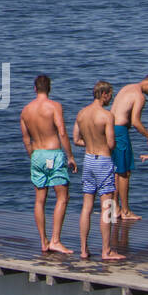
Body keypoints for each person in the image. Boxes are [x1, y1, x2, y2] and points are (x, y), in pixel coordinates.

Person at [20, 74, 77, 254]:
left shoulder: (25, 110)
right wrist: (70, 156)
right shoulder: (54, 106)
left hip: (36, 155)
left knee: (39, 200)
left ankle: (43, 241)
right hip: (53, 153)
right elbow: (61, 132)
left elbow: (26, 138)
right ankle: (55, 240)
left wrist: (33, 156)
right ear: (49, 88)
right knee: (62, 197)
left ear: (35, 88)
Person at [74, 82, 124, 262]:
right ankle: (106, 250)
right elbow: (111, 143)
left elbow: (76, 139)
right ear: (103, 94)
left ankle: (83, 249)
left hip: (88, 160)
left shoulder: (81, 114)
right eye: (110, 95)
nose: (111, 98)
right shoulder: (107, 116)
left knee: (86, 206)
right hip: (103, 161)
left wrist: (91, 143)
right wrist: (103, 144)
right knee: (107, 207)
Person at [109, 74, 148, 220]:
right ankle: (125, 211)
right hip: (120, 132)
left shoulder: (128, 87)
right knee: (124, 173)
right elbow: (136, 122)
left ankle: (115, 209)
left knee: (116, 172)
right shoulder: (140, 96)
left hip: (111, 130)